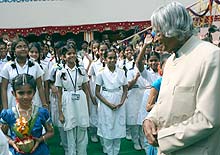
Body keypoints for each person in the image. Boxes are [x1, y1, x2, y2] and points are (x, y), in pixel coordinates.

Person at [142, 2, 220, 155]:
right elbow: (164, 101)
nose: (155, 38)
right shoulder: (170, 61)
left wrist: (163, 138)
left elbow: (208, 119)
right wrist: (150, 119)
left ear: (173, 31)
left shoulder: (210, 57)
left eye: (158, 32)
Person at [0, 74, 54, 155]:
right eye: (21, 93)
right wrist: (11, 142)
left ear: (34, 92)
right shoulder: (8, 114)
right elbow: (2, 134)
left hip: (39, 151)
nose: (25, 97)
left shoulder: (42, 113)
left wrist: (40, 140)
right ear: (13, 93)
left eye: (29, 92)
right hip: (17, 152)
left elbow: (51, 132)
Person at [55, 44, 90, 155]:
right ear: (63, 57)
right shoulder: (60, 72)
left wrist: (87, 107)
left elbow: (86, 89)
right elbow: (59, 93)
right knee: (70, 131)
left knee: (82, 130)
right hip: (67, 100)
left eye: (73, 53)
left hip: (81, 100)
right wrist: (60, 112)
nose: (72, 55)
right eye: (69, 53)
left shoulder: (81, 70)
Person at [95, 48, 128, 155]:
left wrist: (121, 102)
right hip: (106, 101)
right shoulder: (101, 73)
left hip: (118, 101)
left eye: (114, 58)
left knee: (118, 128)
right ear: (105, 59)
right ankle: (109, 152)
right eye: (109, 58)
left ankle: (116, 152)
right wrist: (109, 104)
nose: (112, 60)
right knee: (107, 127)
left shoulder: (122, 72)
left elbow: (125, 88)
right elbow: (97, 92)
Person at [0, 38, 48, 109]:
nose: (23, 49)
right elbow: (3, 88)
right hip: (13, 104)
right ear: (14, 50)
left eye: (25, 46)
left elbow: (40, 86)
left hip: (33, 102)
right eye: (19, 47)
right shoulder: (8, 66)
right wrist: (5, 108)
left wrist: (44, 104)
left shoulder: (35, 65)